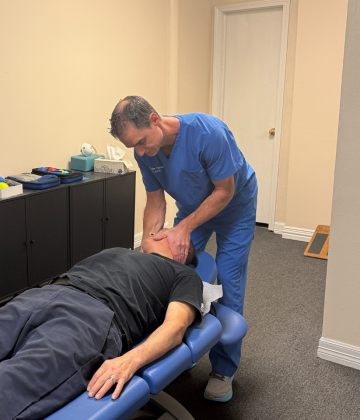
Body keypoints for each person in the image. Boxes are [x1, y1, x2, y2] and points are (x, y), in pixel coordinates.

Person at [0, 232, 203, 420]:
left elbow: (176, 327)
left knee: (1, 391)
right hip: (41, 295)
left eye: (166, 233)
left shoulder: (184, 275)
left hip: (92, 319)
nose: (157, 232)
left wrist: (129, 361)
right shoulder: (120, 250)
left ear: (180, 249)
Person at [109, 96, 257, 402]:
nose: (139, 152)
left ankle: (223, 369)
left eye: (140, 142)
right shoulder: (145, 152)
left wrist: (183, 229)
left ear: (153, 119)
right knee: (167, 272)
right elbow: (155, 200)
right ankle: (172, 347)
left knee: (228, 281)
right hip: (193, 210)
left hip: (234, 207)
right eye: (132, 147)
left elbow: (224, 191)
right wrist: (149, 244)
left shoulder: (208, 133)